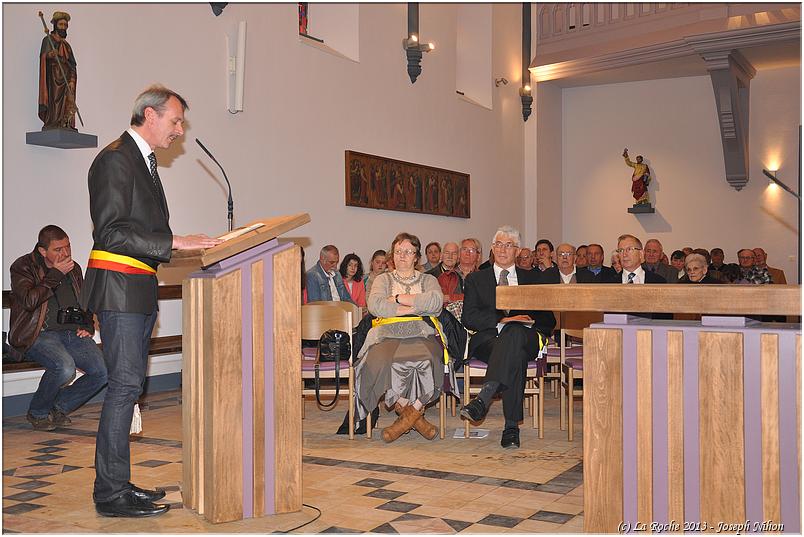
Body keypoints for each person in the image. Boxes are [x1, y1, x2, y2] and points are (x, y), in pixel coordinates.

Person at [80, 85, 222, 518]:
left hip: (138, 287)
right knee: (123, 388)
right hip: (120, 287)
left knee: (130, 387)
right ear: (149, 114)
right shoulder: (115, 159)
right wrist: (175, 241)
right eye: (176, 120)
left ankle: (119, 483)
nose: (180, 130)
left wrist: (176, 244)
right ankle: (109, 494)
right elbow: (110, 232)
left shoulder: (143, 162)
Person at [461, 225, 555, 449]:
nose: (503, 249)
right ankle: (511, 426)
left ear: (518, 250)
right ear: (493, 248)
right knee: (515, 353)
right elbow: (469, 317)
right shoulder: (476, 279)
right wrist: (501, 321)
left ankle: (484, 398)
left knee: (515, 334)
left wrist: (528, 322)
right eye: (499, 244)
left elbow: (548, 320)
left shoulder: (532, 279)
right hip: (488, 340)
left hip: (527, 337)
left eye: (509, 245)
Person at [9, 225, 107, 431]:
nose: (66, 253)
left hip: (72, 332)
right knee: (64, 367)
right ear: (42, 251)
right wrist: (54, 275)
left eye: (67, 246)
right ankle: (38, 413)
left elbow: (85, 301)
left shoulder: (74, 268)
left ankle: (57, 407)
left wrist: (87, 325)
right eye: (58, 249)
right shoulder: (23, 267)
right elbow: (28, 301)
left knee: (103, 372)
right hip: (38, 333)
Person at [355, 233, 445, 442]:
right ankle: (415, 417)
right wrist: (414, 308)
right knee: (383, 360)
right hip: (386, 334)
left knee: (429, 358)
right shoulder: (382, 279)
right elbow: (376, 306)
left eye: (408, 252)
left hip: (422, 332)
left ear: (416, 257)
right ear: (392, 255)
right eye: (398, 251)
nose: (402, 256)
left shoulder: (428, 280)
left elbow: (436, 303)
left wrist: (396, 299)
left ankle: (404, 419)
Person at [38, 11, 77, 130]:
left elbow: (72, 65)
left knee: (67, 103)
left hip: (66, 80)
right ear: (55, 25)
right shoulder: (48, 40)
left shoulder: (67, 46)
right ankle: (53, 122)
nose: (63, 27)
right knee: (54, 102)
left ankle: (66, 123)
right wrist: (50, 54)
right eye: (61, 24)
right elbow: (43, 58)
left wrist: (71, 80)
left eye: (65, 25)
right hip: (53, 79)